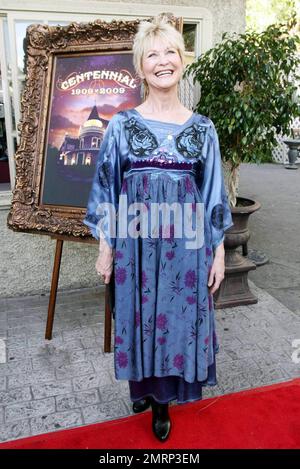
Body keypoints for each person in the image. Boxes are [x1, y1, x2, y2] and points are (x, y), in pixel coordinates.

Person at [83, 15, 233, 443]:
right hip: (135, 246)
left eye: (170, 51)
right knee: (137, 316)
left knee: (175, 321)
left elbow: (213, 194)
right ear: (140, 67)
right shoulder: (120, 126)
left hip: (187, 249)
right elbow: (106, 188)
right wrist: (105, 247)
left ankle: (162, 403)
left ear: (181, 60)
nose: (163, 61)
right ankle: (143, 388)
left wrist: (218, 252)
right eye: (152, 54)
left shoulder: (203, 128)